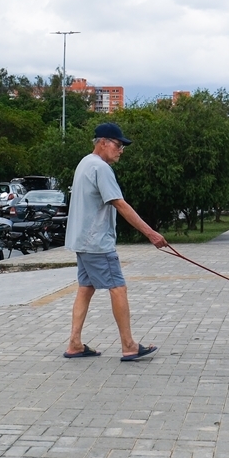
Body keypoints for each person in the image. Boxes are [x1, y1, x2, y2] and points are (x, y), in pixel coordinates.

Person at [64, 122, 168, 361]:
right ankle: (129, 345)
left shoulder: (84, 163)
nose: (121, 150)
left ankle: (75, 343)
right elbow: (119, 203)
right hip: (97, 243)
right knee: (118, 288)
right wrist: (151, 233)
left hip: (82, 242)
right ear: (103, 143)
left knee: (86, 288)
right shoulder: (101, 168)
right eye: (118, 145)